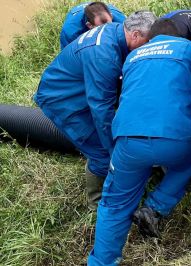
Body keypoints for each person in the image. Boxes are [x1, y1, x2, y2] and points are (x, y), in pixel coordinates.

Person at [87, 19, 191, 265]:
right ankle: (157, 205)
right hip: (176, 141)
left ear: (149, 39)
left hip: (129, 142)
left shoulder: (132, 57)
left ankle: (102, 262)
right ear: (179, 38)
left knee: (114, 204)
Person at [34, 11, 156, 210]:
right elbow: (101, 110)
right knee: (101, 149)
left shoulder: (116, 30)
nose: (149, 46)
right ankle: (96, 201)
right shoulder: (104, 56)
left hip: (82, 87)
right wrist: (114, 150)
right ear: (134, 34)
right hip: (63, 98)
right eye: (148, 41)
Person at [60, 2, 126, 49]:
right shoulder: (71, 33)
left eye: (109, 26)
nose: (107, 31)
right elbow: (69, 57)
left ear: (111, 16)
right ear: (89, 25)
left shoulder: (122, 23)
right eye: (101, 28)